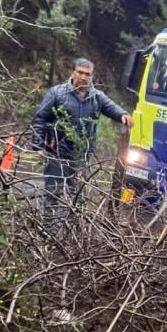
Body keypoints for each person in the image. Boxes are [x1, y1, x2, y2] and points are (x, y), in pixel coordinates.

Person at [31, 58, 133, 226]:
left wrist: (123, 114)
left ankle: (74, 236)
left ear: (92, 77)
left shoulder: (96, 97)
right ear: (73, 72)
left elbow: (112, 108)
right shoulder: (57, 93)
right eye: (80, 72)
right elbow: (40, 118)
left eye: (88, 74)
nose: (84, 77)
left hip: (82, 156)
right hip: (57, 152)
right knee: (53, 194)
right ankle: (49, 233)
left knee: (78, 197)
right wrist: (37, 145)